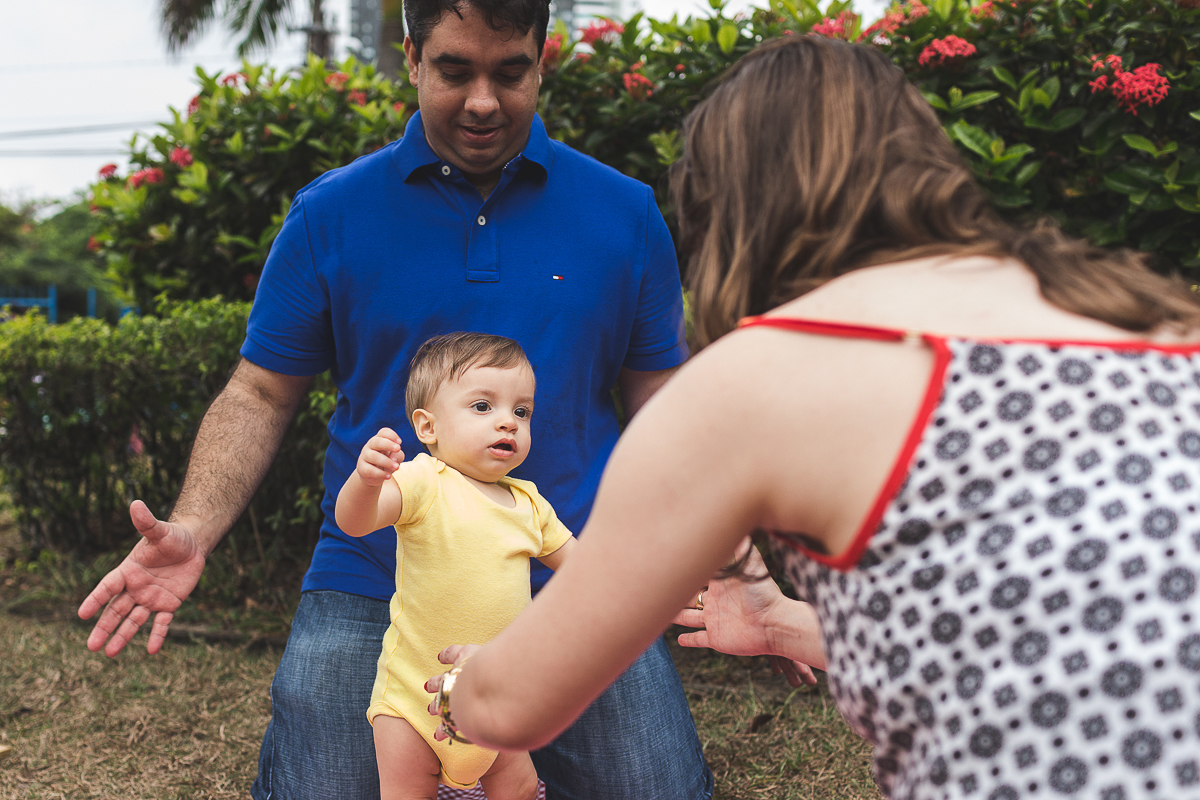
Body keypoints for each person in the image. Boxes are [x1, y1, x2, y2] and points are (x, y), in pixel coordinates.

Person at [425, 35, 1200, 800]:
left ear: (731, 206)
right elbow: (1051, 640)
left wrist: (455, 692)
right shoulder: (1144, 316)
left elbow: (510, 702)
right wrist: (777, 622)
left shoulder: (767, 373)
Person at [75, 0, 715, 796]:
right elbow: (260, 392)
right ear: (411, 57)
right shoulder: (330, 214)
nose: (483, 100)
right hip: (373, 581)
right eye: (454, 70)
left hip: (574, 581)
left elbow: (666, 398)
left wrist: (714, 543)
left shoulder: (624, 214)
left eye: (509, 71)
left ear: (542, 59)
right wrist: (197, 526)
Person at [338, 333, 575, 799]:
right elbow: (356, 521)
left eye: (521, 411)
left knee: (521, 787)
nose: (507, 422)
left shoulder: (530, 503)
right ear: (428, 428)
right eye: (483, 407)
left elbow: (590, 572)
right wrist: (366, 481)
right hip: (414, 699)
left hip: (498, 690)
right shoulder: (427, 480)